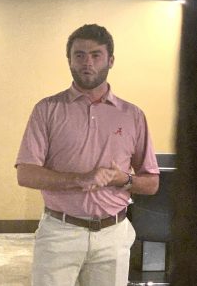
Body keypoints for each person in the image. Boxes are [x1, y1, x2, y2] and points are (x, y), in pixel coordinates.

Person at [15, 24, 160, 286]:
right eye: (79, 55)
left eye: (95, 55)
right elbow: (26, 174)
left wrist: (122, 179)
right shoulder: (47, 110)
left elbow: (151, 183)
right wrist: (81, 179)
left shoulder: (133, 116)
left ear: (110, 60)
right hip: (59, 233)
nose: (87, 63)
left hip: (113, 236)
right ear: (69, 59)